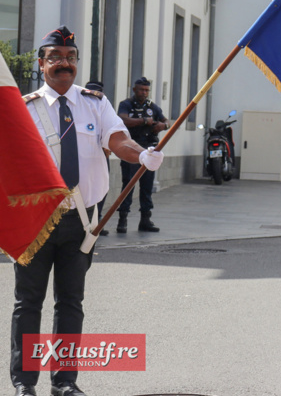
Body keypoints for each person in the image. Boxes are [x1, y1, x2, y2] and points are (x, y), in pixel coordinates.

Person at [13, 25, 164, 396]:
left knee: (70, 301)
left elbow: (117, 139)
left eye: (70, 58)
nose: (64, 64)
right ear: (42, 63)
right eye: (55, 58)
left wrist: (142, 155)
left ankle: (64, 382)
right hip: (36, 220)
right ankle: (24, 383)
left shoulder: (95, 103)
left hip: (82, 220)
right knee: (29, 301)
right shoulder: (24, 108)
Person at [116, 77, 168, 233]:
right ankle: (122, 220)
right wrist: (144, 121)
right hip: (131, 150)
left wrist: (162, 125)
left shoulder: (153, 107)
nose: (143, 93)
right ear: (134, 90)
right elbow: (123, 120)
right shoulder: (126, 104)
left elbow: (167, 122)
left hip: (149, 150)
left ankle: (145, 220)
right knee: (129, 184)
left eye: (146, 90)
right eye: (141, 90)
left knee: (146, 186)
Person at [84, 81, 109, 237]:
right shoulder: (78, 109)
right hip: (85, 160)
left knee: (101, 189)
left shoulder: (104, 109)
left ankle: (97, 220)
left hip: (101, 157)